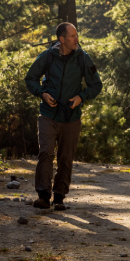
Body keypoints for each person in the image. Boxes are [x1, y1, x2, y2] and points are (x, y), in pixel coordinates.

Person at [25, 23, 103, 210]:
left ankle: (59, 197)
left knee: (66, 157)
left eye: (77, 35)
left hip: (71, 116)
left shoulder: (83, 58)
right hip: (48, 114)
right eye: (72, 36)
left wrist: (81, 97)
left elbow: (96, 85)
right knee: (46, 152)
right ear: (62, 39)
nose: (77, 39)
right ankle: (44, 196)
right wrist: (42, 94)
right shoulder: (47, 56)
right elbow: (30, 79)